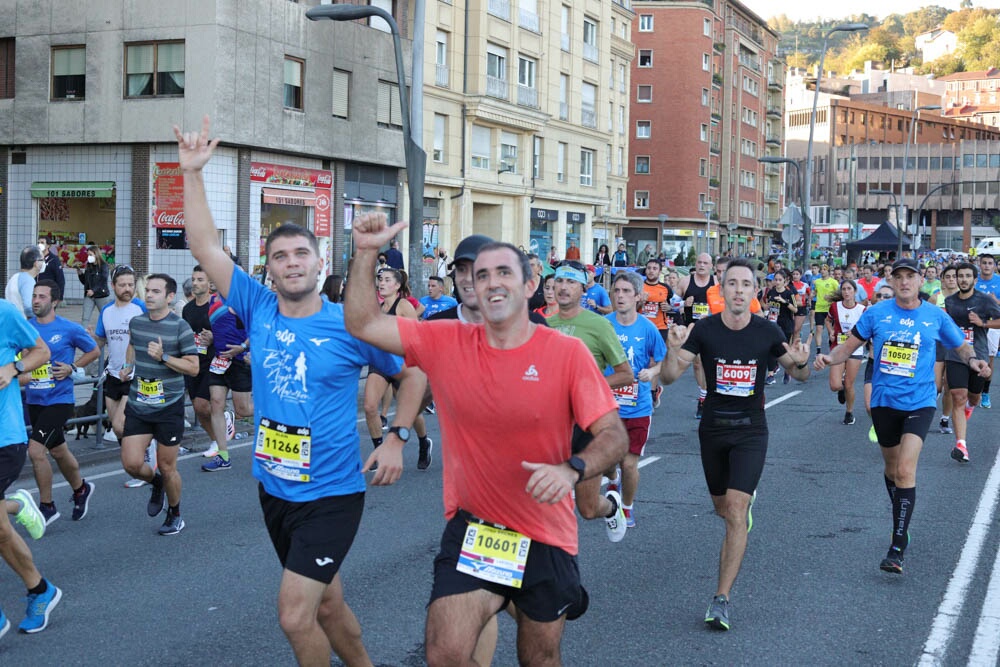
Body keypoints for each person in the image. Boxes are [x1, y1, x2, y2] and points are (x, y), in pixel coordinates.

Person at [176, 116, 426, 666]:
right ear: (269, 269)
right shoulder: (256, 306)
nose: (292, 264)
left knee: (294, 613)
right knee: (329, 606)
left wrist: (397, 437)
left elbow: (416, 372)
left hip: (332, 494)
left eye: (301, 255)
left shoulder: (351, 323)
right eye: (281, 257)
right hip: (274, 486)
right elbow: (202, 244)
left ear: (319, 264)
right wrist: (191, 173)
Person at [343, 212, 627, 665]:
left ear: (530, 284)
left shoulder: (565, 352)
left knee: (539, 657)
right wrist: (364, 252)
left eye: (503, 273)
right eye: (481, 275)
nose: (491, 283)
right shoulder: (446, 340)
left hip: (545, 534)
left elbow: (613, 436)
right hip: (476, 529)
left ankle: (562, 585)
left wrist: (571, 469)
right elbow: (361, 322)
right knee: (445, 653)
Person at [661, 257, 812, 631]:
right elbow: (668, 376)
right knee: (722, 508)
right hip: (712, 430)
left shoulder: (766, 332)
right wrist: (671, 348)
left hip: (750, 431)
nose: (739, 290)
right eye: (732, 284)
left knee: (735, 510)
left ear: (754, 291)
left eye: (746, 284)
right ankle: (737, 508)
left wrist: (804, 362)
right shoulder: (706, 330)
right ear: (721, 289)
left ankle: (721, 598)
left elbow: (799, 373)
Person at [814, 257, 987, 575]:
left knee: (906, 471)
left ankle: (897, 546)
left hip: (920, 402)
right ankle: (901, 519)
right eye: (899, 277)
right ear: (891, 282)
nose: (905, 282)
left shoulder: (935, 315)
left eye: (911, 276)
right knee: (892, 470)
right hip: (883, 402)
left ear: (920, 281)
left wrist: (974, 360)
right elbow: (849, 346)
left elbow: (960, 346)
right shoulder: (876, 314)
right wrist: (829, 357)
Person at [547, 262, 632, 542]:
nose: (563, 287)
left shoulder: (598, 324)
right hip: (550, 425)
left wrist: (585, 390)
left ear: (584, 289)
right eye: (558, 281)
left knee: (587, 508)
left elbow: (625, 374)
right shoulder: (544, 325)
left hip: (586, 423)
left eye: (570, 282)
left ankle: (611, 507)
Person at [119, 274, 200, 534]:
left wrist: (163, 356)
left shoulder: (180, 327)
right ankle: (156, 483)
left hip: (169, 406)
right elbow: (133, 344)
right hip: (140, 403)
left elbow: (193, 368)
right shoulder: (137, 322)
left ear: (169, 297)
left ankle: (175, 514)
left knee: (167, 466)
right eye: (148, 290)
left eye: (156, 291)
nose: (149, 295)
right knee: (131, 464)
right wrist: (128, 365)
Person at [0, 297, 61, 636]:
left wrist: (13, 368)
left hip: (4, 437)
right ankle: (41, 590)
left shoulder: (4, 313)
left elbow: (41, 352)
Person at [22, 280, 99, 525]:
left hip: (60, 400)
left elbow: (94, 351)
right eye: (34, 296)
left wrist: (73, 367)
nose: (36, 300)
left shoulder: (68, 328)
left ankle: (47, 506)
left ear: (54, 301)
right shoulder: (26, 328)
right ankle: (81, 489)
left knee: (36, 450)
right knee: (58, 450)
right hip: (34, 399)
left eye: (42, 297)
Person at [607, 271, 666, 528]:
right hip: (607, 406)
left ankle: (627, 508)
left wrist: (650, 372)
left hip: (637, 406)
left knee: (629, 464)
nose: (620, 296)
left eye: (626, 291)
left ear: (638, 297)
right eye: (616, 291)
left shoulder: (648, 328)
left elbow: (662, 362)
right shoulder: (603, 324)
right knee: (608, 461)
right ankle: (611, 479)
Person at [362, 268, 435, 470]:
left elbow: (417, 338)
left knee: (410, 411)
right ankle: (379, 450)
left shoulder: (403, 306)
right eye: (380, 280)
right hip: (380, 363)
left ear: (397, 285)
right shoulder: (377, 307)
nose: (382, 283)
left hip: (402, 364)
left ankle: (423, 442)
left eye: (387, 280)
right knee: (369, 407)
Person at [944, 262, 1000, 463]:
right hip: (956, 355)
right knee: (958, 396)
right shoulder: (950, 301)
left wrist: (983, 323)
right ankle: (961, 445)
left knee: (973, 398)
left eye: (968, 276)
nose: (963, 279)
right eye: (961, 276)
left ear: (974, 280)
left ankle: (970, 407)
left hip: (979, 355)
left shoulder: (984, 301)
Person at [94, 266, 147, 444]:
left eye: (131, 284)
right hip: (113, 373)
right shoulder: (107, 311)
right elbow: (100, 341)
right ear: (113, 285)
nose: (127, 289)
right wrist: (85, 339)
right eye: (122, 285)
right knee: (116, 428)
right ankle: (139, 459)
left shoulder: (141, 308)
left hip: (135, 374)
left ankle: (146, 450)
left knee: (119, 425)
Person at [201, 294, 253, 472]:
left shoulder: (245, 299)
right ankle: (223, 457)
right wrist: (211, 338)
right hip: (220, 360)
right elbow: (219, 328)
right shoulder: (213, 299)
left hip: (240, 359)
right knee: (215, 403)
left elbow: (259, 328)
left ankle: (275, 408)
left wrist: (243, 347)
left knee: (243, 410)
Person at [182, 265, 226, 458]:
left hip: (213, 360)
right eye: (193, 279)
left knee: (202, 404)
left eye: (200, 280)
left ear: (210, 283)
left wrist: (214, 338)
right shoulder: (188, 309)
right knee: (198, 409)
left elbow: (230, 333)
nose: (195, 283)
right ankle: (216, 440)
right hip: (193, 361)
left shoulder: (217, 305)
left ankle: (226, 421)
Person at [678, 253, 716, 418]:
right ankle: (703, 397)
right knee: (698, 364)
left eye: (705, 263)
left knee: (711, 364)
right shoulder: (686, 281)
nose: (701, 265)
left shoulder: (716, 283)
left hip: (712, 328)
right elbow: (671, 302)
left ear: (711, 266)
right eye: (699, 262)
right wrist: (682, 304)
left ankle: (710, 396)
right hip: (692, 328)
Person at [825, 280, 865, 424]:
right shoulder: (835, 307)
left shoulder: (862, 309)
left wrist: (855, 336)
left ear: (855, 291)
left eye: (849, 289)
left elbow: (867, 333)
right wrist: (830, 332)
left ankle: (849, 412)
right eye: (843, 289)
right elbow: (828, 321)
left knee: (849, 384)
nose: (846, 292)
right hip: (838, 347)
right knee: (835, 385)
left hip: (855, 348)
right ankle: (841, 389)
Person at [638, 258, 673, 406]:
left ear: (659, 271)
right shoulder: (638, 286)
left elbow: (673, 306)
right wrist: (641, 302)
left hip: (659, 328)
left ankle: (651, 394)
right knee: (642, 361)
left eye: (654, 268)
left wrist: (668, 308)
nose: (651, 271)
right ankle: (646, 390)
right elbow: (633, 308)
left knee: (653, 362)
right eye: (649, 268)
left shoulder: (665, 288)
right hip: (641, 327)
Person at [763, 269, 798, 385]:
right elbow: (767, 305)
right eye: (775, 280)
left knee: (784, 350)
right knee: (770, 349)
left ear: (785, 281)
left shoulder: (789, 293)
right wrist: (766, 308)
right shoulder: (771, 292)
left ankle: (788, 370)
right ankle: (770, 375)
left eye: (779, 280)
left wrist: (784, 302)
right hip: (773, 324)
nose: (777, 282)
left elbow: (795, 309)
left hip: (786, 325)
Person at [975, 253, 1000, 408]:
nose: (987, 266)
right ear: (980, 264)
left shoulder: (999, 281)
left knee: (989, 360)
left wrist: (995, 301)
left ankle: (985, 392)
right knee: (969, 356)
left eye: (990, 263)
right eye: (984, 263)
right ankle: (970, 391)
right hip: (974, 324)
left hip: (992, 324)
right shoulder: (974, 280)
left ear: (994, 266)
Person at [5, 246, 44, 318]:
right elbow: (29, 308)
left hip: (13, 322)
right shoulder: (28, 280)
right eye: (42, 260)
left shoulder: (14, 277)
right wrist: (43, 317)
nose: (44, 263)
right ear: (36, 263)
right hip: (22, 324)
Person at [76, 245, 110, 327]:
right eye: (88, 255)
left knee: (105, 316)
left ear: (96, 254)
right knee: (85, 317)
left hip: (101, 295)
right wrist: (80, 274)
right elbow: (85, 281)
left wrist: (94, 290)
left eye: (90, 255)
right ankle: (83, 334)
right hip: (89, 295)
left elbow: (103, 280)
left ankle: (107, 333)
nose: (89, 257)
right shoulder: (89, 266)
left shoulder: (103, 266)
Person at [812, 265, 839, 355]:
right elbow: (815, 292)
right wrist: (812, 294)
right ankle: (818, 351)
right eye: (821, 270)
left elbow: (839, 294)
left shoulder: (834, 282)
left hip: (830, 309)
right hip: (819, 308)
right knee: (819, 329)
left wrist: (831, 297)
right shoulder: (817, 282)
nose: (823, 271)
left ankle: (832, 348)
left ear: (828, 271)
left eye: (825, 270)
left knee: (830, 330)